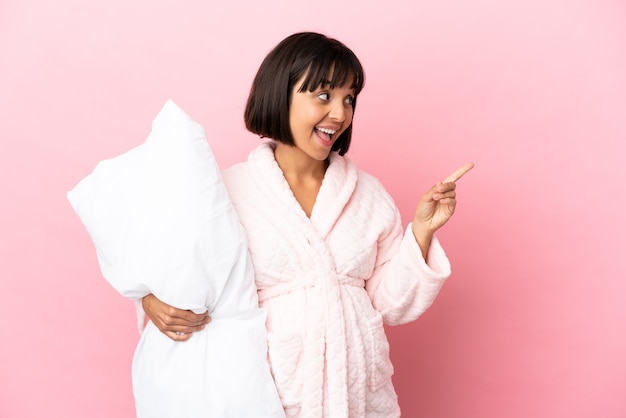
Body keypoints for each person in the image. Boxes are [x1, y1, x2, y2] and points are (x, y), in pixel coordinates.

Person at [141, 32, 473, 417]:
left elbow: (390, 304)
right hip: (267, 393)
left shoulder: (367, 194)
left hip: (359, 398)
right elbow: (183, 275)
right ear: (280, 95)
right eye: (324, 95)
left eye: (349, 99)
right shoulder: (228, 192)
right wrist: (150, 301)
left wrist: (421, 231)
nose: (340, 113)